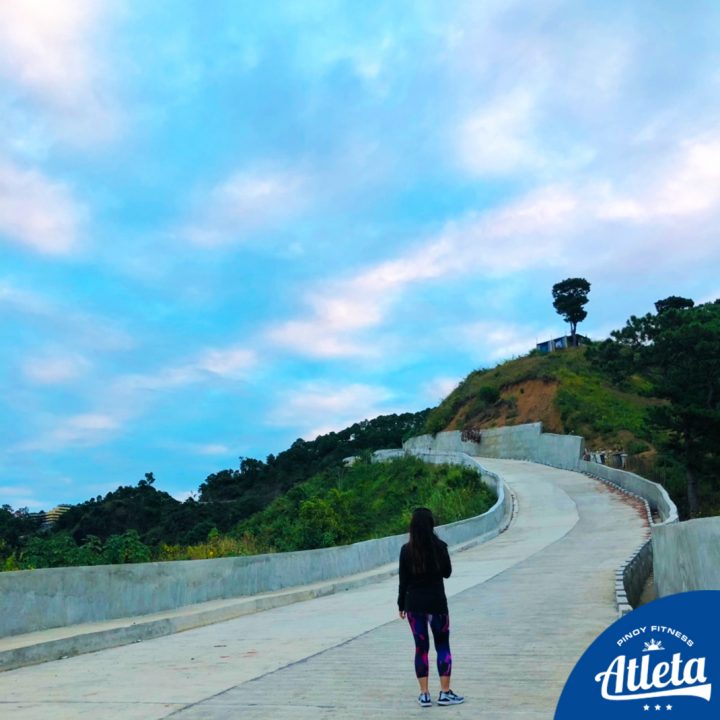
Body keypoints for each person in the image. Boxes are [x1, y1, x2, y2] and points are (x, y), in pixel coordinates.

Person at [398, 507, 464, 707]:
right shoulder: (440, 547)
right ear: (431, 525)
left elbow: (403, 581)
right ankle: (445, 693)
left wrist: (401, 604)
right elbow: (447, 573)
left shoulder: (406, 550)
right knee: (442, 646)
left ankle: (424, 694)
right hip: (437, 604)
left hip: (414, 605)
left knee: (421, 649)